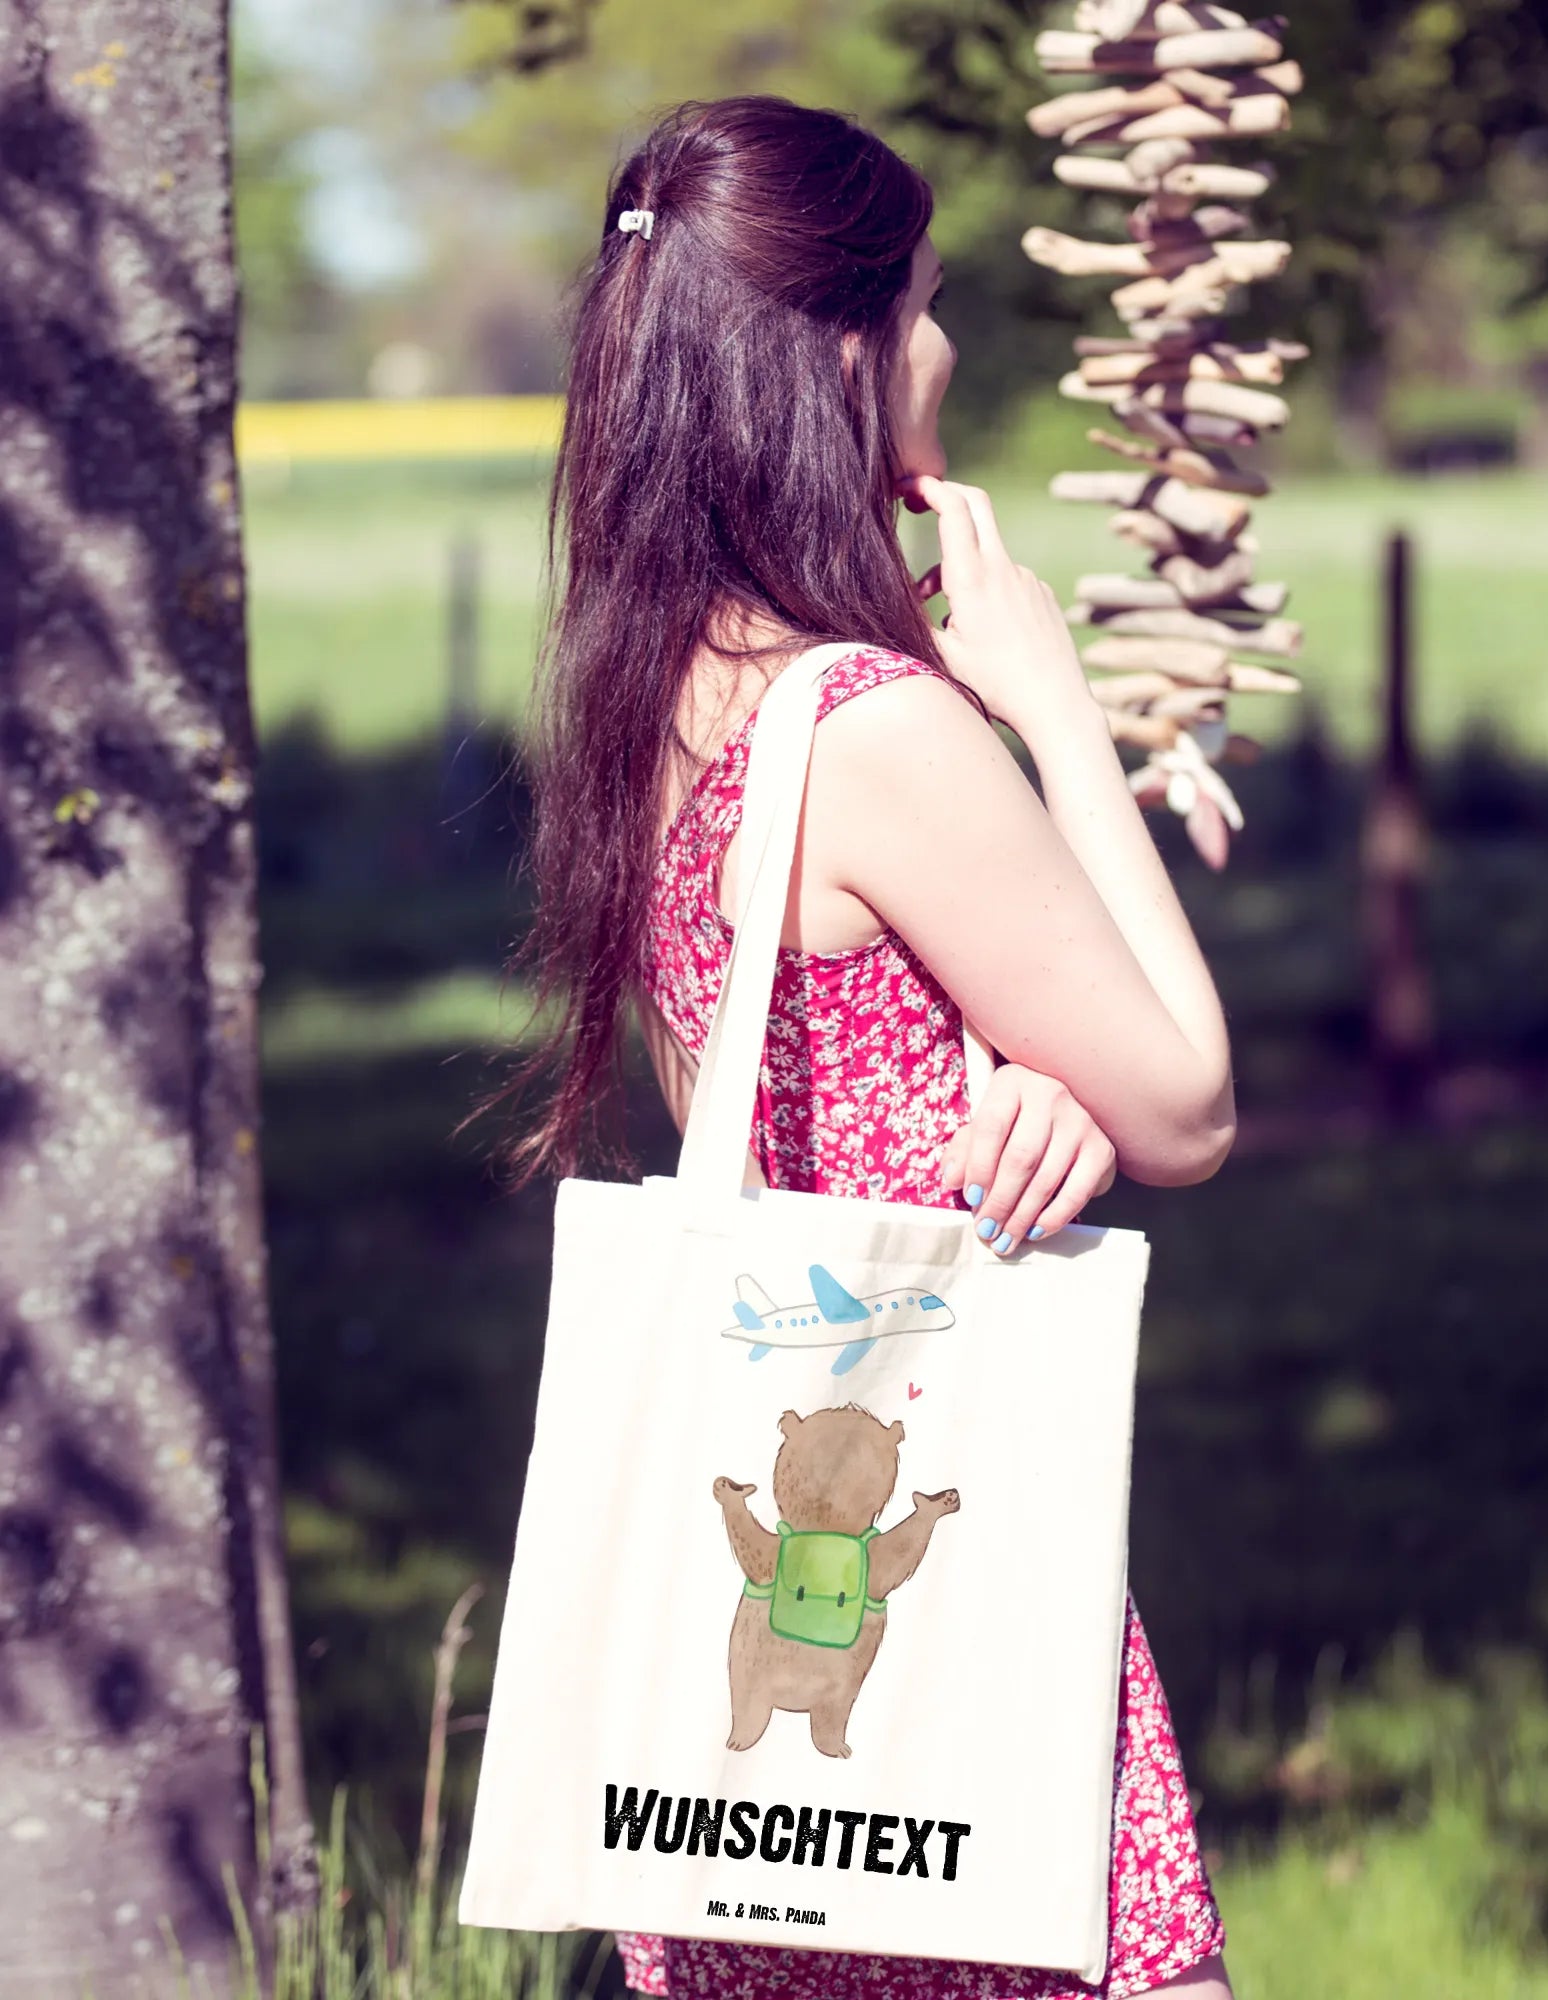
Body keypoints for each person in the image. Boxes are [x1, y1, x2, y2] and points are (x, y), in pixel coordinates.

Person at [490, 94, 1239, 2000]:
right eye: (922, 303)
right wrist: (1057, 716)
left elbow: (768, 1084)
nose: (945, 348)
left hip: (749, 1780)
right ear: (839, 349)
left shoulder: (660, 692)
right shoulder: (881, 730)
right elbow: (1187, 1101)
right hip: (953, 1649)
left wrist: (1013, 1070)